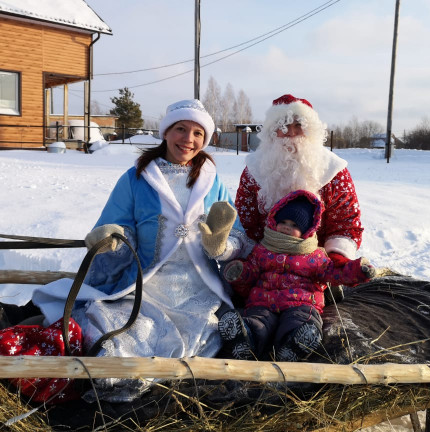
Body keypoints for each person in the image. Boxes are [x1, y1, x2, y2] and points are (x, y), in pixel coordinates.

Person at [5, 99, 251, 402]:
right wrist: (114, 238)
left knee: (204, 341)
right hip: (145, 286)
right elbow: (113, 227)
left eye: (198, 133)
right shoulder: (137, 178)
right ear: (165, 132)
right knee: (120, 336)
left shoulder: (212, 182)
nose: (188, 139)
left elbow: (237, 236)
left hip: (199, 289)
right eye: (181, 129)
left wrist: (222, 246)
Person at [218, 190, 375, 362]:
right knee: (258, 321)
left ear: (306, 230)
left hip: (301, 304)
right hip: (264, 302)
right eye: (283, 221)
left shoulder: (314, 255)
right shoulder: (263, 249)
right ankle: (246, 340)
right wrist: (239, 272)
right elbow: (252, 271)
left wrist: (358, 271)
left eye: (294, 225)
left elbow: (334, 273)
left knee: (300, 321)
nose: (286, 227)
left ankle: (295, 345)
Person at [235, 94, 363, 272]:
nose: (292, 133)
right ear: (272, 130)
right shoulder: (254, 170)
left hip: (319, 267)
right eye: (283, 126)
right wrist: (251, 260)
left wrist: (335, 260)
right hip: (263, 265)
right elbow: (244, 223)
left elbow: (345, 222)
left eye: (299, 125)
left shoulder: (334, 170)